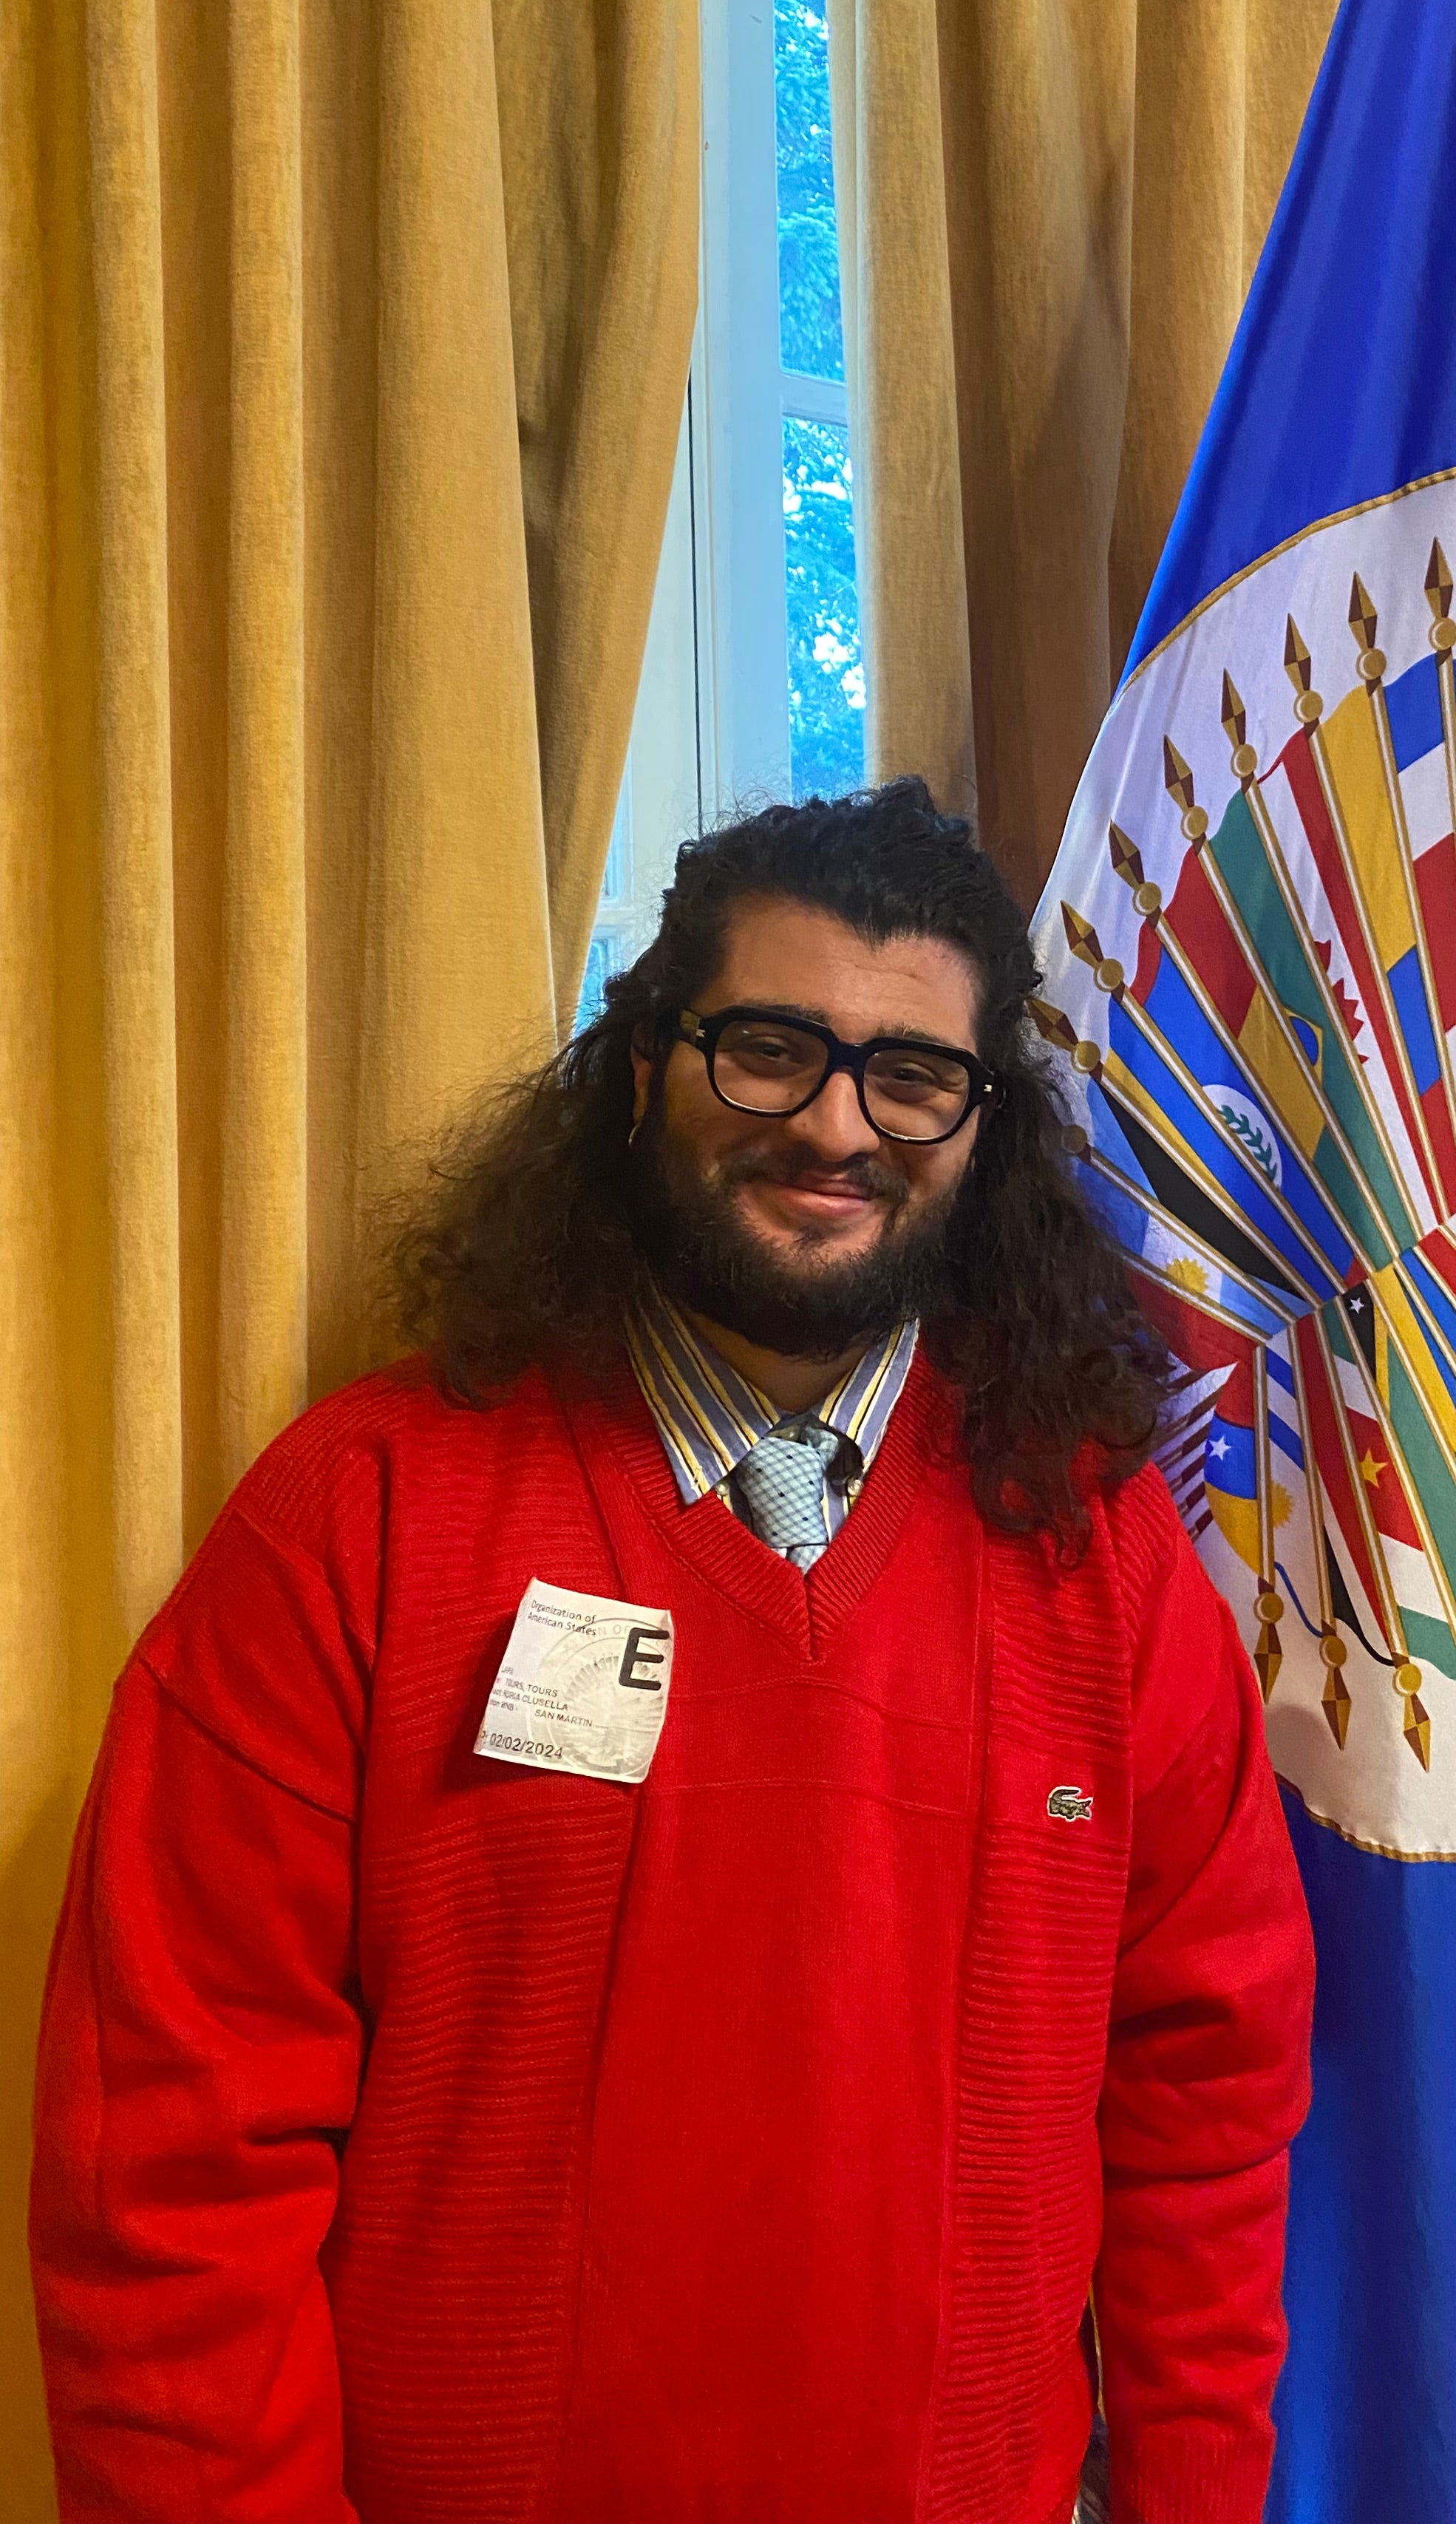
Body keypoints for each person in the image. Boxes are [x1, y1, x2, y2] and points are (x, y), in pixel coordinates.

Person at [30, 779, 1315, 2524]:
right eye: (768, 1047)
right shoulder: (360, 1526)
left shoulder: (1110, 1572)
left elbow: (1208, 2133)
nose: (838, 1126)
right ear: (645, 1067)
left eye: (913, 1075)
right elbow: (168, 2185)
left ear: (983, 1124)